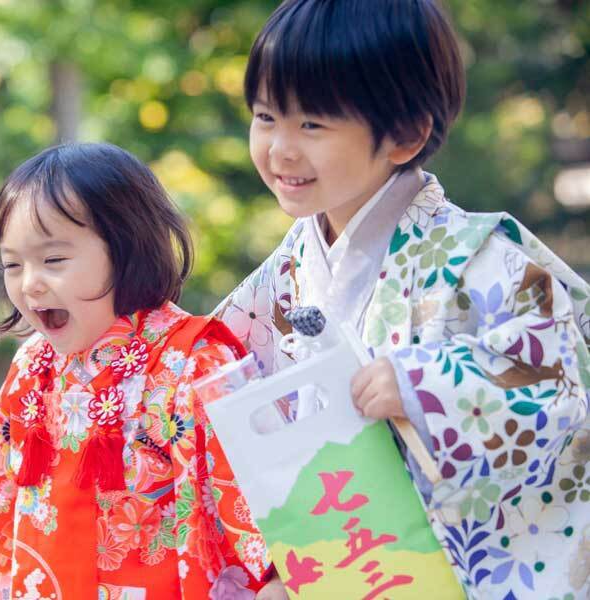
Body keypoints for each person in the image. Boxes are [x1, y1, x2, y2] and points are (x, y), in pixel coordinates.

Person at [215, 1, 590, 598]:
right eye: (266, 117)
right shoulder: (285, 271)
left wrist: (428, 386)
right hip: (345, 566)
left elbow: (560, 389)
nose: (280, 149)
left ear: (405, 134)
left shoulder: (483, 257)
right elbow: (215, 372)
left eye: (312, 124)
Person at [0, 142, 282, 599]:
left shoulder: (193, 362)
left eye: (53, 260)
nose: (29, 284)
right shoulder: (31, 367)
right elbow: (4, 507)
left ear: (127, 248)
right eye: (12, 264)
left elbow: (259, 516)